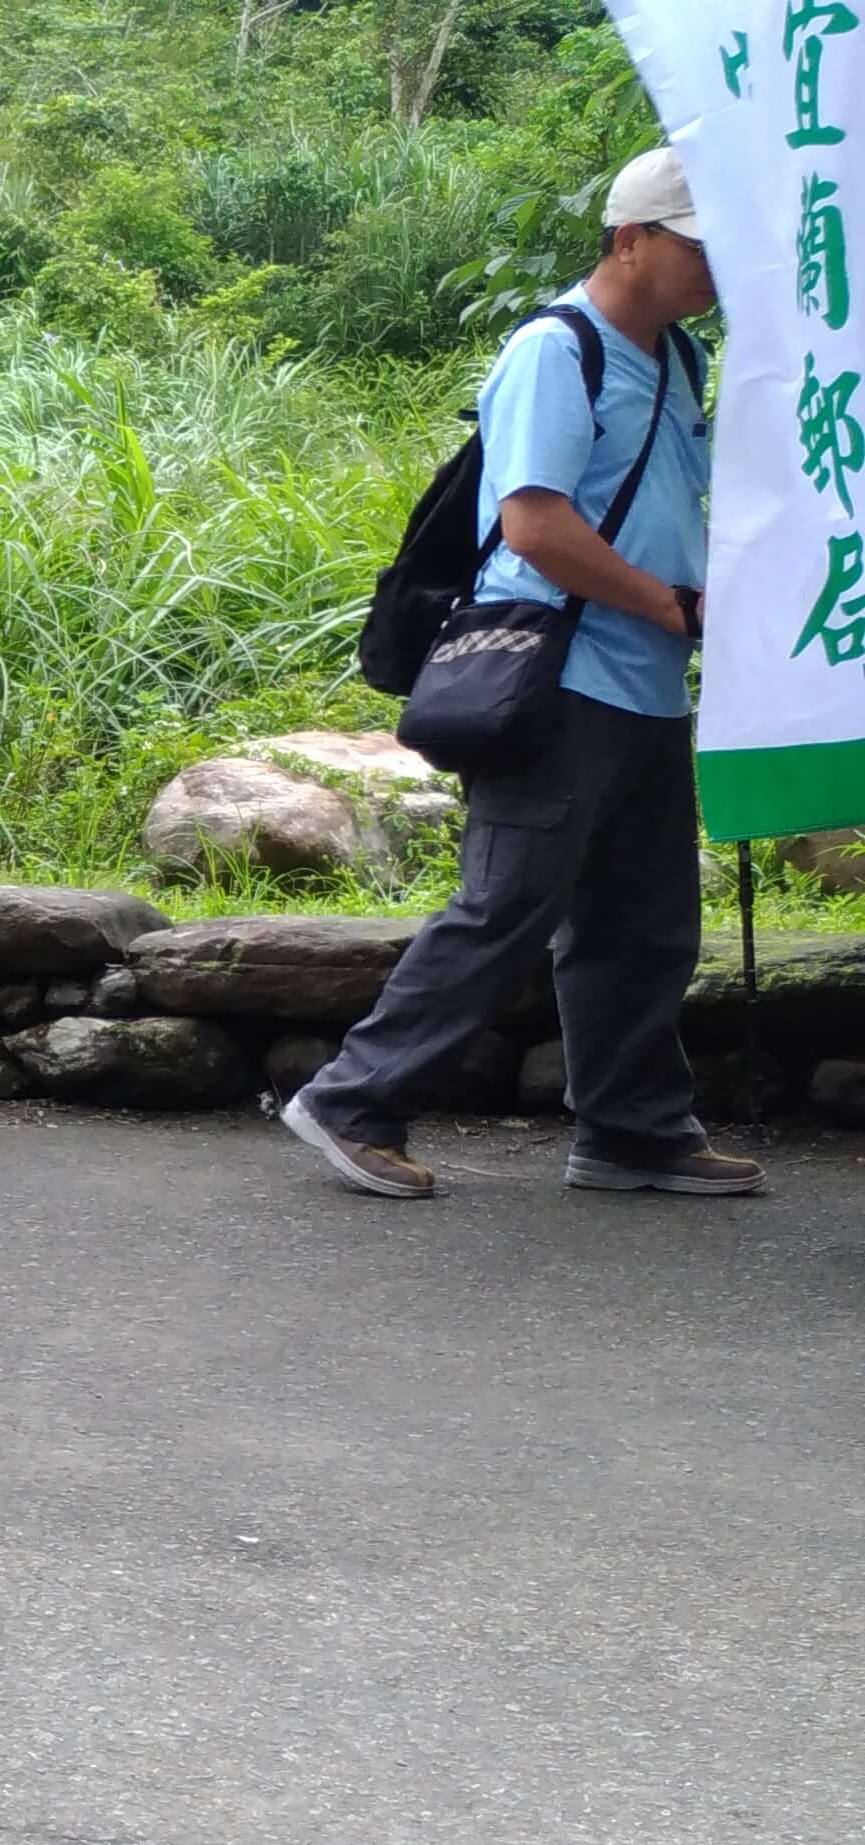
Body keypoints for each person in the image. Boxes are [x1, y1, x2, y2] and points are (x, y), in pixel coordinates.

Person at [284, 148, 756, 1201]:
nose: (716, 272)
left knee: (647, 920)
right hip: (560, 671)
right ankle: (350, 1099)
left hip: (642, 681)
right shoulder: (557, 350)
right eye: (699, 248)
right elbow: (536, 526)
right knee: (506, 906)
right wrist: (673, 606)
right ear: (630, 237)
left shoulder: (678, 358)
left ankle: (632, 1130)